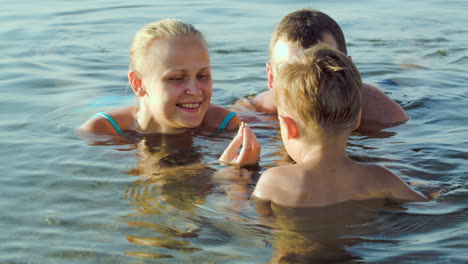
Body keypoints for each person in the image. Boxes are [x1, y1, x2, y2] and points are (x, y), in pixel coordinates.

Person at [252, 45, 428, 211]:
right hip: (362, 243)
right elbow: (430, 206)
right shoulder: (381, 178)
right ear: (357, 119)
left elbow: (247, 222)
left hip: (295, 243)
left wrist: (237, 177)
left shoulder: (274, 182)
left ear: (289, 127)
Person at [79, 19, 259, 165]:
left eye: (203, 75)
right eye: (177, 78)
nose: (196, 91)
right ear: (138, 83)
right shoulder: (102, 132)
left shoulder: (224, 126)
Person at [243, 8, 408, 131]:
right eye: (290, 71)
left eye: (323, 68)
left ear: (349, 73)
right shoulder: (259, 111)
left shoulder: (382, 114)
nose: (307, 84)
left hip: (376, 91)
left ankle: (410, 65)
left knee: (393, 81)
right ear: (271, 78)